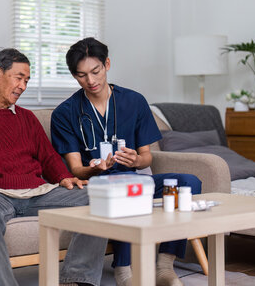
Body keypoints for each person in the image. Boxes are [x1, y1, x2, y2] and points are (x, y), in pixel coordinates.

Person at [0, 48, 107, 286]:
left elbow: (48, 157)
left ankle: (76, 280)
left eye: (27, 80)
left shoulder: (27, 118)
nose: (23, 86)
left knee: (99, 196)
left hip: (39, 194)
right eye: (18, 77)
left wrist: (63, 177)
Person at [50, 37, 202, 286]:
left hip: (135, 178)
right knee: (127, 188)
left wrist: (135, 161)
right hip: (100, 186)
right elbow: (76, 169)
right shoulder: (65, 113)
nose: (90, 81)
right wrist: (94, 168)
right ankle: (124, 270)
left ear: (107, 64)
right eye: (81, 75)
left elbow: (146, 157)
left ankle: (165, 266)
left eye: (95, 71)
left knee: (188, 183)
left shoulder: (134, 101)